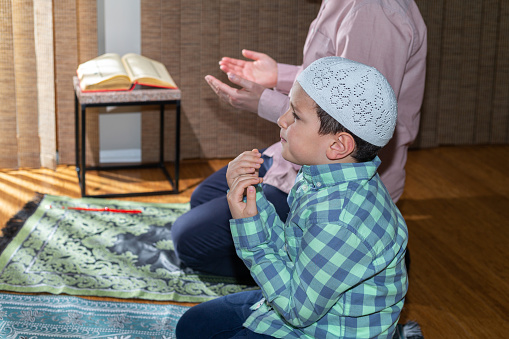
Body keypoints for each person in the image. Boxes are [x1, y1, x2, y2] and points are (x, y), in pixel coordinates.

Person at [171, 0, 426, 281]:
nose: (283, 121)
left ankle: (349, 266)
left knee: (190, 241)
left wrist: (265, 102)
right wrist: (280, 76)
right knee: (203, 199)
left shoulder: (373, 13)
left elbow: (350, 122)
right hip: (303, 161)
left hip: (334, 183)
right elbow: (334, 83)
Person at [176, 56, 408, 339]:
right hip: (298, 304)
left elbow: (298, 312)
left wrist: (252, 237)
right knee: (192, 327)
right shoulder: (322, 175)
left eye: (295, 115)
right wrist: (252, 197)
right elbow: (290, 248)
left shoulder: (339, 220)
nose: (281, 119)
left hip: (320, 328)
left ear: (338, 145)